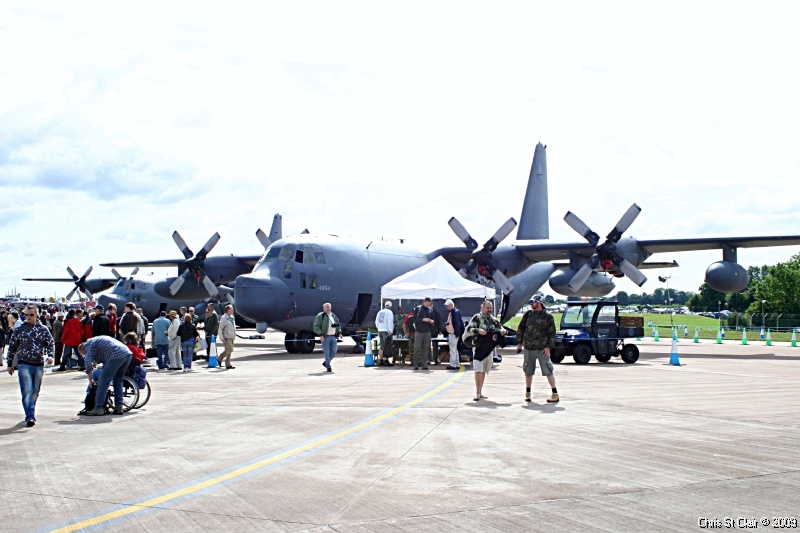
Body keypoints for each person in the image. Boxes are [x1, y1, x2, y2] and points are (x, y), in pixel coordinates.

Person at [6, 305, 55, 427]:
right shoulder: (19, 330)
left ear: (37, 315)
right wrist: (9, 364)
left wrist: (50, 356)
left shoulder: (43, 329)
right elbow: (12, 347)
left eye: (31, 315)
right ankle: (30, 416)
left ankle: (30, 410)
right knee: (27, 391)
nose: (28, 317)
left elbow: (50, 343)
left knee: (35, 391)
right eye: (26, 315)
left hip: (38, 364)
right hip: (24, 363)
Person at [516, 295, 559, 403]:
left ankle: (555, 393)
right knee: (528, 370)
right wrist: (519, 343)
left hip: (542, 348)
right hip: (529, 347)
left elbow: (552, 334)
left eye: (533, 302)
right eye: (531, 302)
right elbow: (521, 328)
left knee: (548, 370)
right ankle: (528, 393)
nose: (531, 304)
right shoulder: (528, 315)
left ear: (540, 303)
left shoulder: (548, 317)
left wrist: (548, 347)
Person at [79, 335, 133, 416]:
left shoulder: (88, 346)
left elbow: (88, 364)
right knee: (118, 381)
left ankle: (98, 408)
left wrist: (90, 380)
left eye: (84, 354)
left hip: (116, 355)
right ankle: (119, 407)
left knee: (103, 381)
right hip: (127, 353)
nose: (85, 355)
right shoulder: (96, 342)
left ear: (83, 349)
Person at [465, 300, 506, 401]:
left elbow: (502, 329)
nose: (489, 310)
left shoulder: (493, 320)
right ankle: (477, 393)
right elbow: (469, 329)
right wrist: (478, 330)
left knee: (483, 370)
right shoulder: (477, 317)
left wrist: (503, 331)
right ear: (482, 308)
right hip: (478, 348)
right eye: (487, 308)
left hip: (488, 349)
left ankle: (480, 391)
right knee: (478, 370)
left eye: (490, 308)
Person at [313, 303, 341, 372]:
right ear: (323, 308)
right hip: (325, 337)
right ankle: (328, 366)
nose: (328, 308)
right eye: (326, 307)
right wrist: (320, 335)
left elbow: (338, 324)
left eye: (329, 307)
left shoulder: (333, 315)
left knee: (334, 351)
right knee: (327, 353)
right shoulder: (320, 316)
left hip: (333, 337)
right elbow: (316, 327)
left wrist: (339, 332)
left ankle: (326, 362)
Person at [412, 297, 436, 370]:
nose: (428, 305)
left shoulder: (430, 310)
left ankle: (424, 364)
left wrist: (431, 321)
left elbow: (433, 319)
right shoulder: (418, 309)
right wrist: (423, 319)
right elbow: (414, 320)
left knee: (426, 348)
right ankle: (415, 364)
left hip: (427, 332)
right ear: (424, 302)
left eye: (429, 304)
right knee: (417, 348)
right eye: (427, 304)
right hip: (419, 331)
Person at [443, 299, 465, 370]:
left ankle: (453, 364)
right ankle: (456, 364)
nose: (447, 307)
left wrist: (456, 333)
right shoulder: (454, 312)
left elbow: (457, 324)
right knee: (455, 349)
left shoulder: (455, 313)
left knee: (452, 349)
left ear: (451, 305)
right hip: (454, 333)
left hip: (453, 333)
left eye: (447, 306)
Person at [375, 301, 394, 366]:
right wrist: (391, 331)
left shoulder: (380, 312)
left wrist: (379, 328)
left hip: (380, 330)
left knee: (381, 346)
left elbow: (376, 322)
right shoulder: (389, 312)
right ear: (390, 306)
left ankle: (380, 360)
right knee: (387, 346)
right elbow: (390, 322)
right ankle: (385, 360)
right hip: (386, 331)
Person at [217, 304, 236, 369]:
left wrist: (234, 335)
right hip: (227, 336)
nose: (233, 310)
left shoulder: (232, 317)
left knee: (229, 350)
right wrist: (222, 338)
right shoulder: (224, 318)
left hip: (231, 336)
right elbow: (220, 329)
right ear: (228, 310)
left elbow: (233, 327)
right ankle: (226, 363)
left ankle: (220, 360)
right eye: (231, 309)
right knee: (229, 350)